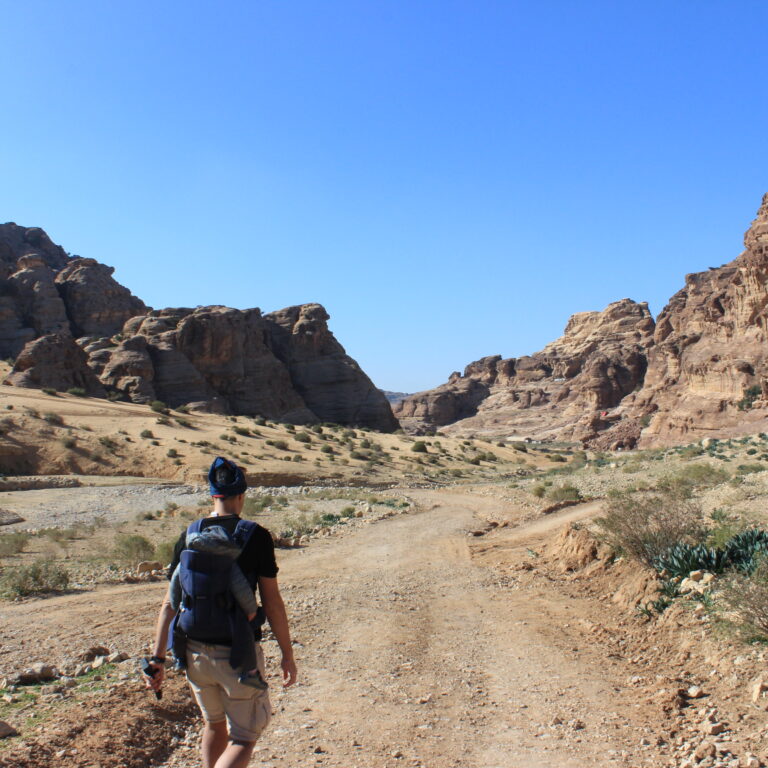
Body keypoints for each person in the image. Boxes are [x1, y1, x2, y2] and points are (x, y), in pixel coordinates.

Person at [144, 457, 297, 768]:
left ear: (212, 494)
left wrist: (157, 659)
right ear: (241, 495)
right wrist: (287, 653)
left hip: (194, 653)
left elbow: (169, 604)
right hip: (238, 655)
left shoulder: (189, 535)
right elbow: (272, 602)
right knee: (243, 736)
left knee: (213, 725)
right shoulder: (255, 535)